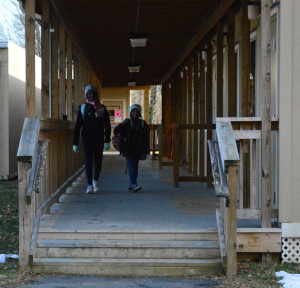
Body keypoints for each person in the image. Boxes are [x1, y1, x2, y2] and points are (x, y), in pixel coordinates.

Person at [72, 85, 111, 194]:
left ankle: (95, 182)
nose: (91, 95)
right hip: (87, 139)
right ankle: (89, 185)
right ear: (86, 96)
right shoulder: (83, 108)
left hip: (99, 138)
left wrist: (107, 140)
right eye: (89, 94)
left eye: (93, 93)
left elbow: (107, 125)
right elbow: (78, 125)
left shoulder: (102, 108)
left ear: (96, 95)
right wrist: (75, 143)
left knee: (98, 160)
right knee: (88, 161)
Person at [113, 104, 150, 193]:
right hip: (128, 149)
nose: (135, 113)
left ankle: (131, 184)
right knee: (131, 166)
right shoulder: (127, 123)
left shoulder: (143, 123)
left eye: (137, 111)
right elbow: (116, 131)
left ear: (139, 113)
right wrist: (122, 124)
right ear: (130, 112)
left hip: (138, 149)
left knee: (135, 167)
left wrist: (145, 151)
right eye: (133, 111)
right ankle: (134, 184)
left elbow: (146, 138)